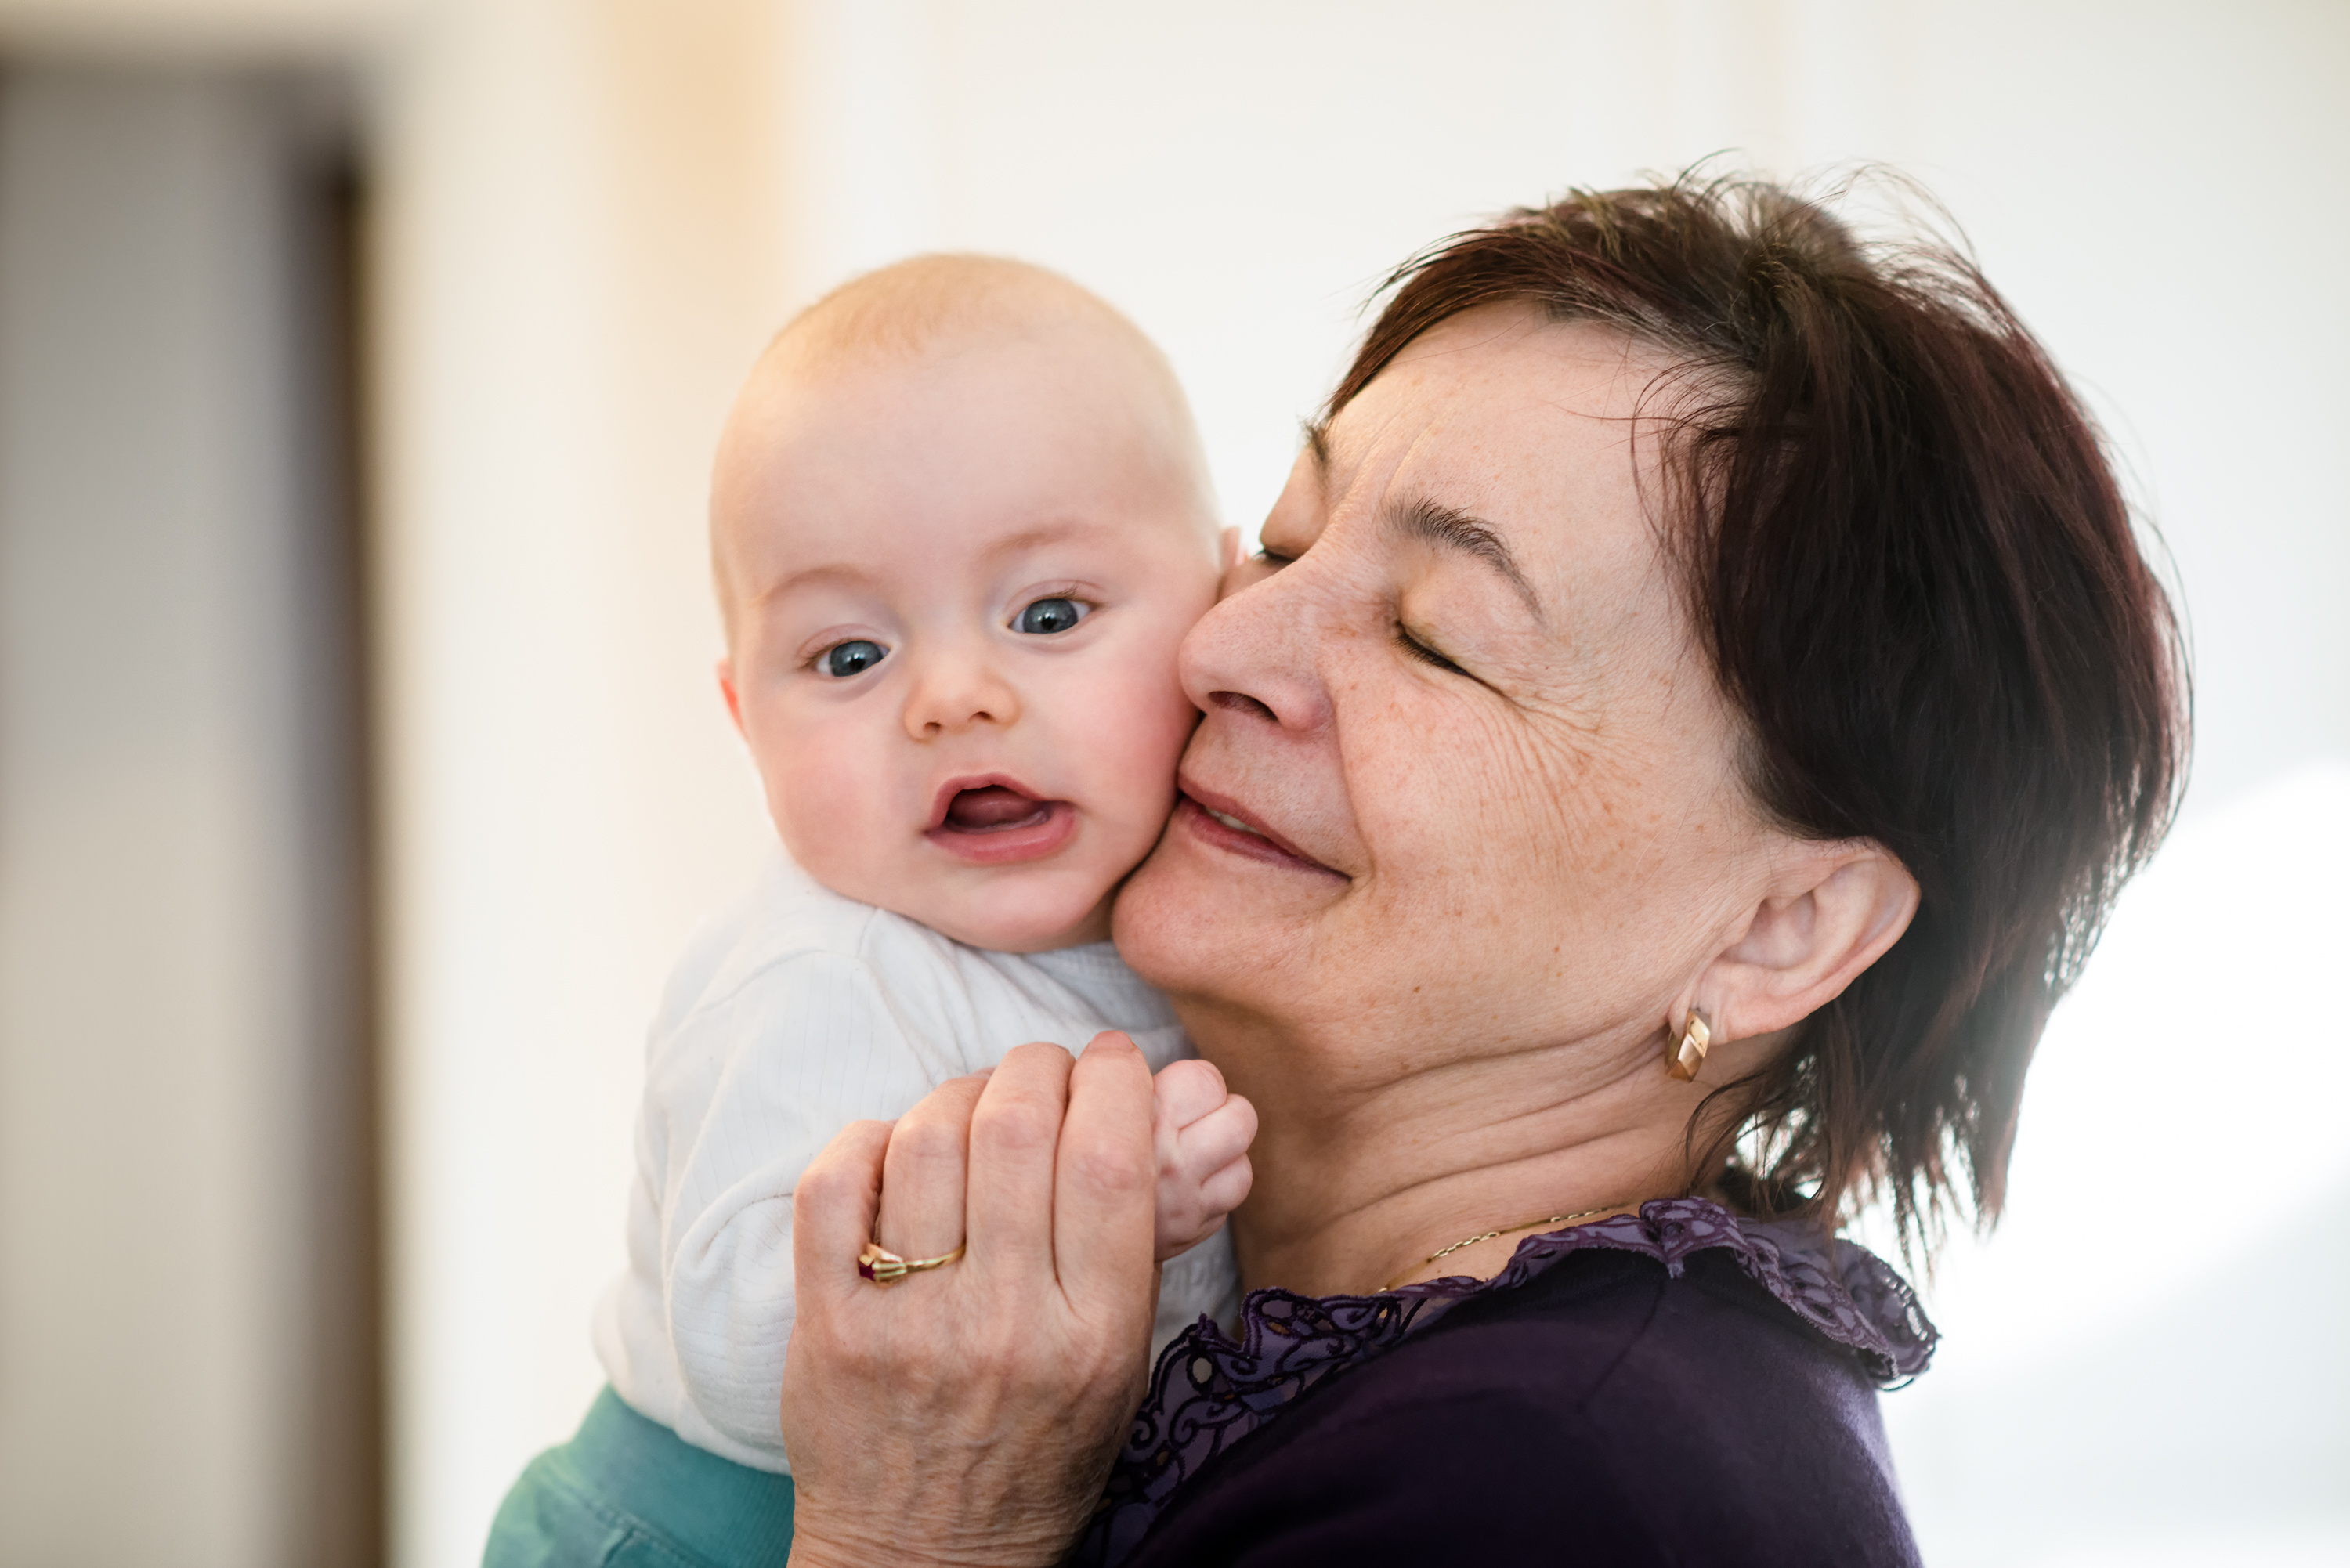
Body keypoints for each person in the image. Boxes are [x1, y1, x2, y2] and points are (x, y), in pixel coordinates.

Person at [772, 175, 2188, 1566]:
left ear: (1782, 926)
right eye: (1284, 540)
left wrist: (915, 1532)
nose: (1223, 648)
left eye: (1436, 637)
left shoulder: (1539, 1486)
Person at [485, 255, 1259, 1564]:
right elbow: (741, 1347)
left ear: (1224, 605)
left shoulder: (1189, 927)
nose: (952, 696)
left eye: (1051, 612)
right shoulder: (821, 972)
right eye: (850, 655)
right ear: (747, 720)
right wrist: (1103, 1205)